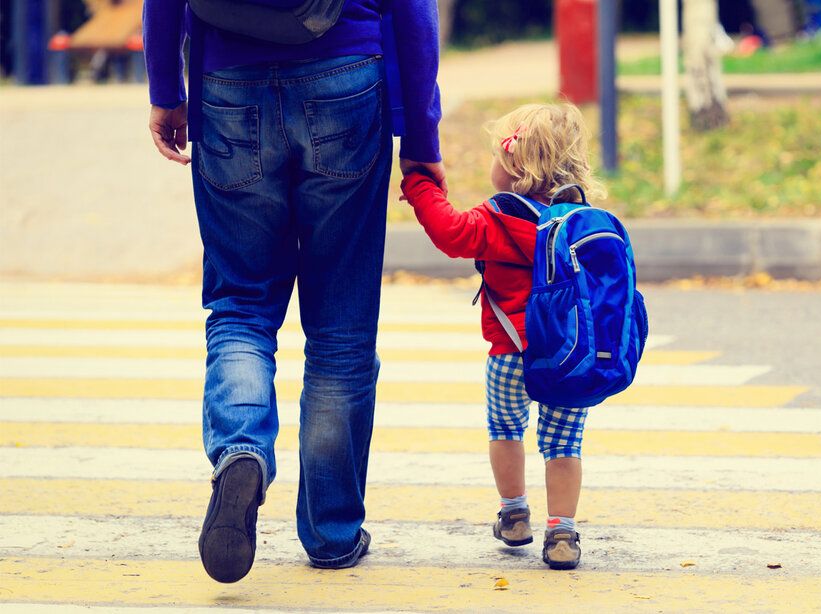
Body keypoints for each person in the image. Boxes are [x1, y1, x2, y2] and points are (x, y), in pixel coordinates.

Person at [143, 0, 444, 583]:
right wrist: (420, 137)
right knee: (341, 326)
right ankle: (332, 533)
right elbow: (413, 9)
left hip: (228, 83)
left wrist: (166, 89)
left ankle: (241, 450)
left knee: (241, 304)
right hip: (346, 79)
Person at [400, 103, 603, 570]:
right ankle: (562, 532)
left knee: (505, 430)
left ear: (514, 166)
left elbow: (451, 232)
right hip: (571, 358)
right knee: (564, 444)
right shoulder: (583, 223)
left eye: (496, 153)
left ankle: (514, 514)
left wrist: (420, 184)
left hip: (510, 354)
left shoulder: (500, 218)